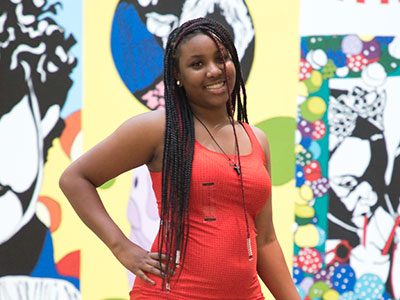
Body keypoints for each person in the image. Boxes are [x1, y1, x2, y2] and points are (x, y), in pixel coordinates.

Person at [59, 17, 301, 300]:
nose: (214, 71)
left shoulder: (256, 139)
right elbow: (75, 179)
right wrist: (122, 247)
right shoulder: (158, 128)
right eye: (197, 64)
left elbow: (266, 240)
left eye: (221, 58)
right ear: (178, 75)